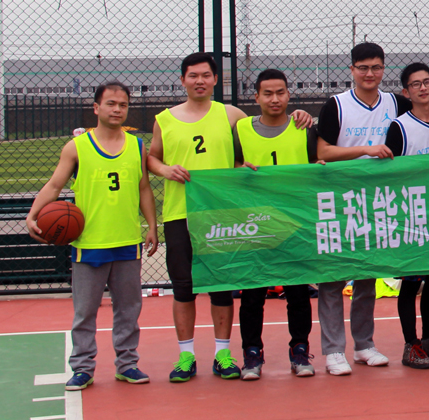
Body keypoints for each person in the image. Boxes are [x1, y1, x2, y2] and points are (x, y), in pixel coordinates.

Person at [149, 52, 311, 382]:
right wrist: (164, 169)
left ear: (215, 80)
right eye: (193, 75)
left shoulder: (231, 115)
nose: (199, 81)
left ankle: (223, 354)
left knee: (222, 287)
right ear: (182, 80)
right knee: (183, 288)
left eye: (206, 75)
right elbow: (152, 157)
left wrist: (300, 115)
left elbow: (264, 130)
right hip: (181, 212)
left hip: (222, 215)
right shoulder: (164, 119)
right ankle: (186, 356)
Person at [27, 82, 158, 391]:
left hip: (127, 241)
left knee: (129, 310)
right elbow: (54, 186)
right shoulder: (77, 147)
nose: (117, 109)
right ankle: (83, 368)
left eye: (123, 104)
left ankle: (127, 364)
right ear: (96, 108)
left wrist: (152, 225)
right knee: (85, 312)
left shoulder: (137, 146)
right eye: (111, 103)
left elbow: (143, 188)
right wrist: (33, 214)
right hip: (88, 243)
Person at [315, 42, 407, 375]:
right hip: (340, 198)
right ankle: (333, 351)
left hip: (379, 200)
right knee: (333, 276)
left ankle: (364, 345)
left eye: (376, 67)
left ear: (383, 69)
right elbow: (323, 151)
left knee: (368, 274)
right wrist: (366, 150)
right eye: (363, 67)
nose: (370, 73)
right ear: (352, 70)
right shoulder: (336, 105)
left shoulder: (396, 103)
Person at [232, 69, 322, 379]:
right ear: (256, 96)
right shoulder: (241, 129)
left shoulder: (303, 128)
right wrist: (237, 169)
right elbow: (230, 166)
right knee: (252, 293)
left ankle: (300, 350)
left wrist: (319, 168)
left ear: (288, 95)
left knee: (298, 291)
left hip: (295, 220)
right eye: (267, 93)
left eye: (280, 92)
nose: (274, 99)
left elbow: (316, 164)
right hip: (254, 222)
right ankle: (252, 353)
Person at [386, 62, 429, 369]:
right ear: (406, 92)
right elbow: (391, 173)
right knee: (411, 283)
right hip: (410, 215)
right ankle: (410, 344)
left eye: (427, 82)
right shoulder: (399, 127)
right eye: (415, 84)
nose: (423, 88)